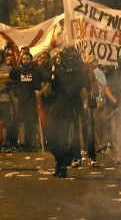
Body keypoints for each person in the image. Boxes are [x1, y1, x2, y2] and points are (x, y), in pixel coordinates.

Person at [45, 47, 88, 178]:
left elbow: (83, 94)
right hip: (58, 109)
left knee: (68, 140)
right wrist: (50, 80)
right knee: (51, 138)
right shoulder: (56, 73)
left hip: (72, 111)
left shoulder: (80, 74)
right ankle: (60, 161)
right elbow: (47, 93)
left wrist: (85, 107)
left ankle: (63, 165)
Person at [0, 49, 17, 151]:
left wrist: (4, 79)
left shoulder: (9, 68)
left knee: (7, 123)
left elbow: (13, 80)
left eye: (0, 56)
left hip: (5, 99)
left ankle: (5, 144)